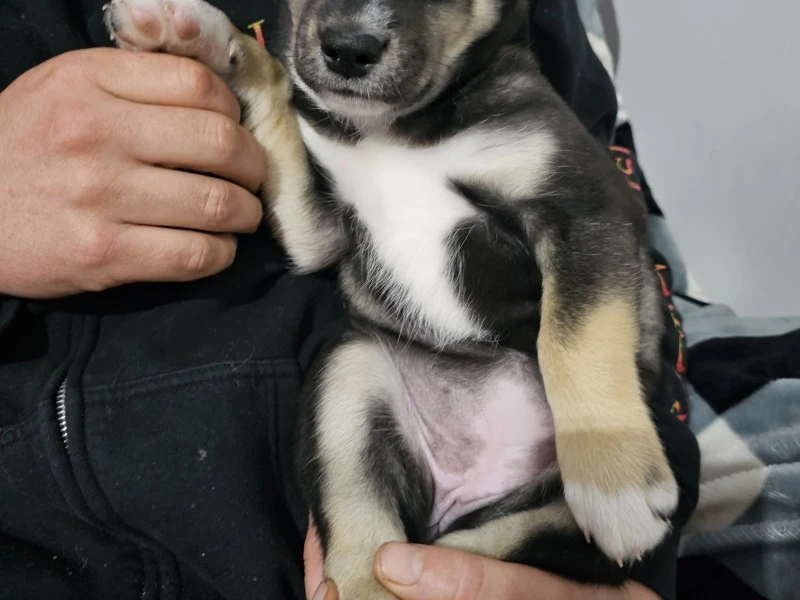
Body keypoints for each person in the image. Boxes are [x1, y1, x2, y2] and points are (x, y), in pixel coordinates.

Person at [0, 1, 700, 599]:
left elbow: (607, 241)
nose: (361, 22)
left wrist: (606, 435)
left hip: (546, 449)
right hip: (341, 430)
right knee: (356, 373)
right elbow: (312, 237)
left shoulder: (512, 99)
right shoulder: (326, 116)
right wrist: (260, 85)